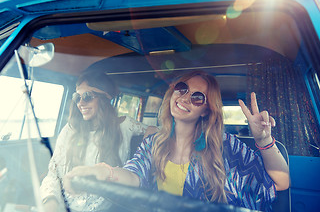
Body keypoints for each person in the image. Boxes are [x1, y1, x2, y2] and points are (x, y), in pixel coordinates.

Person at [63, 70, 290, 211]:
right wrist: (105, 172)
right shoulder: (154, 144)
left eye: (197, 97)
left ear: (205, 110)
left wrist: (264, 139)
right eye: (182, 89)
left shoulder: (224, 145)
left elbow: (281, 183)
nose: (184, 98)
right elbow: (133, 176)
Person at [40, 70, 156, 212]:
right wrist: (49, 202)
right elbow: (53, 174)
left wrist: (150, 136)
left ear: (104, 99)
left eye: (87, 96)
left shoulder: (125, 126)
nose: (81, 103)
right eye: (77, 97)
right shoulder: (70, 129)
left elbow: (162, 131)